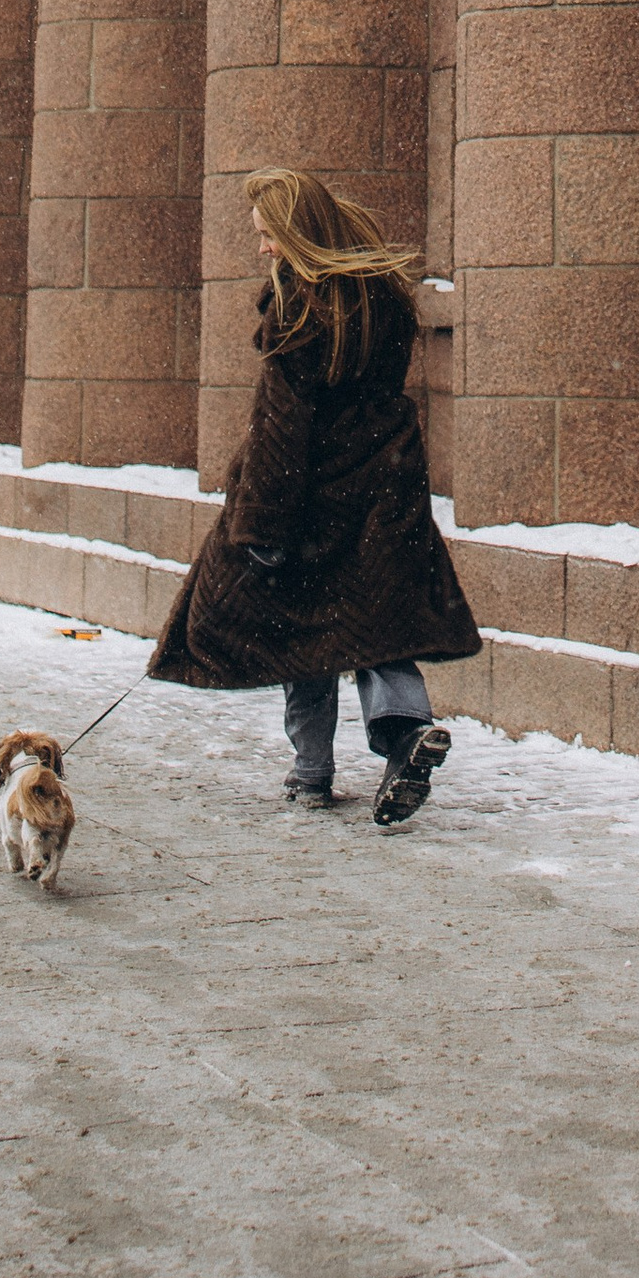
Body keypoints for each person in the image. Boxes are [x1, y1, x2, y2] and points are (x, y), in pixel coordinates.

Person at [147, 165, 479, 821]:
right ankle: (407, 730)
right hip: (384, 482)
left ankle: (310, 773)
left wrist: (262, 529)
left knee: (299, 632)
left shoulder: (299, 307)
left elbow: (281, 428)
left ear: (297, 233)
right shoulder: (381, 295)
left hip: (315, 496)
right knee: (378, 628)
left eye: (268, 236)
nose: (264, 249)